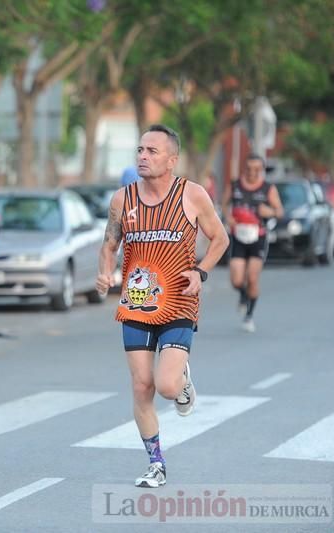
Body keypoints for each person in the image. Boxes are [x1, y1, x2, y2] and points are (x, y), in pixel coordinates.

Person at [95, 124, 229, 488]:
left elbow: (220, 238)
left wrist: (200, 273)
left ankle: (183, 381)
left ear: (172, 159)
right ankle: (156, 463)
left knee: (166, 385)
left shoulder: (193, 195)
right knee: (141, 388)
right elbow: (109, 244)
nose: (142, 155)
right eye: (140, 149)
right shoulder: (122, 200)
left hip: (179, 303)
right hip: (136, 306)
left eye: (152, 151)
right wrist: (105, 273)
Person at [221, 154, 283, 333]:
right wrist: (228, 217)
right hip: (238, 236)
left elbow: (279, 211)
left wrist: (269, 211)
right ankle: (242, 294)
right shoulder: (234, 185)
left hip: (258, 237)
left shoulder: (267, 188)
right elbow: (224, 205)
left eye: (256, 169)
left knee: (253, 278)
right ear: (244, 168)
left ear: (261, 170)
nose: (252, 173)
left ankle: (249, 315)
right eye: (249, 169)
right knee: (236, 280)